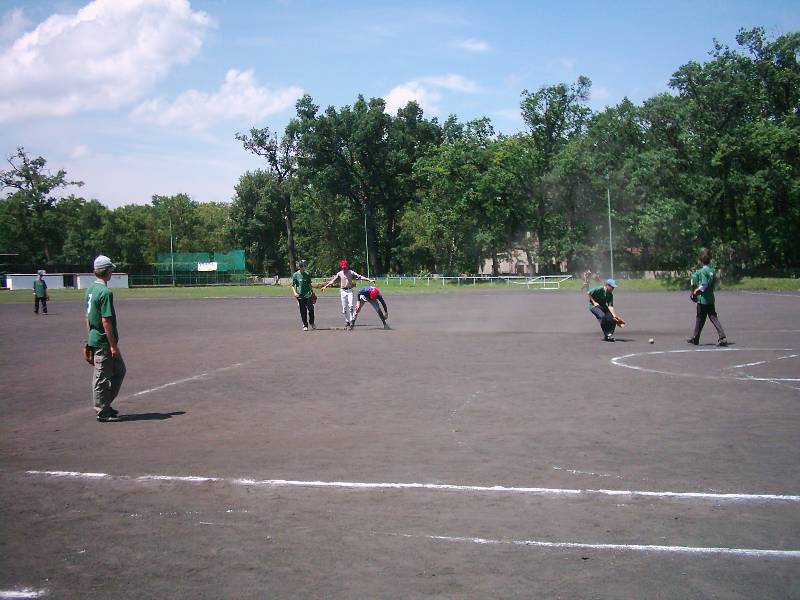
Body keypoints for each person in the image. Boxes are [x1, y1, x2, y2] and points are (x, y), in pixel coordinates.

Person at [84, 255, 126, 422]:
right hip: (103, 341)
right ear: (107, 270)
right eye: (111, 269)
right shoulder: (104, 292)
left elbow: (86, 317)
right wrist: (113, 346)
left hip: (96, 338)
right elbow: (105, 320)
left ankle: (105, 404)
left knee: (119, 371)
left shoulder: (90, 290)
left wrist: (89, 338)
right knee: (101, 376)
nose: (112, 272)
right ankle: (102, 411)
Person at [687, 249, 728, 346]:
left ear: (701, 261)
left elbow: (704, 284)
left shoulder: (702, 271)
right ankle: (722, 337)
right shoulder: (712, 271)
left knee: (700, 319)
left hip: (703, 299)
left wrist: (696, 290)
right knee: (713, 317)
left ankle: (695, 339)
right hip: (710, 298)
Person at [320, 260, 374, 328]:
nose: (344, 269)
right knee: (344, 308)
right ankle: (347, 321)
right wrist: (325, 286)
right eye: (343, 267)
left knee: (351, 306)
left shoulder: (351, 272)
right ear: (341, 267)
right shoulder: (339, 273)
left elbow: (360, 277)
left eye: (345, 267)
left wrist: (369, 280)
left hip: (349, 290)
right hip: (343, 291)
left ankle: (351, 321)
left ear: (347, 266)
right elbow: (333, 281)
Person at [291, 259, 316, 331]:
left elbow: (309, 284)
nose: (304, 268)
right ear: (300, 267)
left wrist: (312, 292)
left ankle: (312, 322)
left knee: (311, 309)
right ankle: (305, 324)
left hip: (308, 295)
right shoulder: (295, 275)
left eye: (305, 266)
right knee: (303, 311)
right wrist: (295, 293)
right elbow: (292, 286)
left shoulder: (307, 274)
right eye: (304, 266)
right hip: (300, 296)